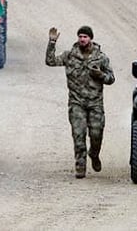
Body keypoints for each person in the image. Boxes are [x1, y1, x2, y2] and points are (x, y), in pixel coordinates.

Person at [46, 25, 115, 179]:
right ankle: (80, 165)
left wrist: (101, 75)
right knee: (79, 134)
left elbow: (111, 79)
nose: (82, 39)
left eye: (85, 36)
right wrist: (51, 43)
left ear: (91, 38)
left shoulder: (101, 57)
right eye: (80, 36)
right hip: (76, 102)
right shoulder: (70, 55)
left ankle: (94, 154)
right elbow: (50, 61)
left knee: (96, 134)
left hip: (95, 103)